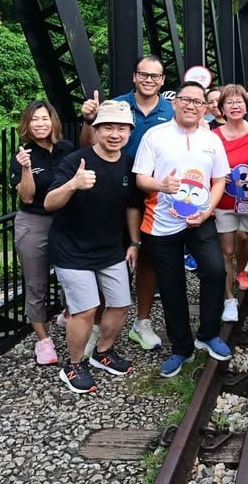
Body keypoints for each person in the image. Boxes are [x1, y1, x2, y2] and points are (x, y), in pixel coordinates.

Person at [133, 81, 231, 378]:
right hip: (162, 222)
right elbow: (140, 178)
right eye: (185, 100)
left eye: (198, 102)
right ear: (174, 103)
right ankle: (181, 348)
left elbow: (219, 180)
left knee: (215, 270)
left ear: (205, 108)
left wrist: (207, 212)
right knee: (171, 284)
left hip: (200, 219)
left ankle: (208, 333)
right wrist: (160, 184)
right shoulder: (155, 135)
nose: (191, 106)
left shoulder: (211, 139)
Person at [79, 56, 173, 352]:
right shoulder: (115, 105)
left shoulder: (171, 109)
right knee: (105, 257)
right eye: (144, 74)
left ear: (162, 80)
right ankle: (96, 323)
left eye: (155, 76)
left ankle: (141, 322)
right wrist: (86, 120)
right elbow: (86, 144)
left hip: (153, 195)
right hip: (111, 191)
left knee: (148, 258)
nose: (149, 80)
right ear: (134, 76)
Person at [45, 100, 138, 394]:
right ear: (96, 130)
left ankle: (103, 352)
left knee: (121, 303)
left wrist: (134, 242)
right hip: (72, 249)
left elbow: (133, 206)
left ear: (129, 132)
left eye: (121, 128)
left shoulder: (130, 163)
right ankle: (73, 365)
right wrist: (72, 184)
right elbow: (49, 203)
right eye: (108, 127)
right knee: (85, 310)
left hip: (110, 247)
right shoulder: (76, 161)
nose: (115, 134)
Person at [10, 100, 74, 366]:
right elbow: (26, 197)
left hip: (65, 220)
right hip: (33, 221)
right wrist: (25, 168)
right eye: (34, 119)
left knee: (71, 275)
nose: (40, 124)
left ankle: (67, 312)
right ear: (27, 123)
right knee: (36, 283)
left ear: (53, 121)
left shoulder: (66, 149)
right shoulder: (23, 154)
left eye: (45, 118)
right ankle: (43, 340)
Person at [213, 84, 248, 321]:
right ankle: (228, 299)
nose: (235, 106)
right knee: (227, 251)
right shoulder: (213, 137)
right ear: (221, 108)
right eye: (229, 102)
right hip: (224, 202)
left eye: (239, 102)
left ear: (247, 105)